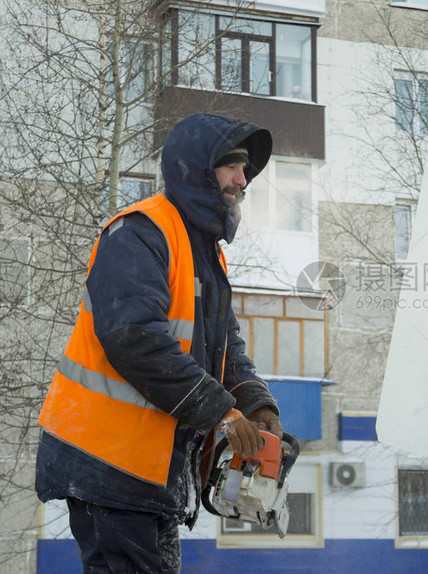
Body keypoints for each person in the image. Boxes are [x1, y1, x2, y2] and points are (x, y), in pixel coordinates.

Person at [35, 113, 282, 573]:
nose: (242, 179)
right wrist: (221, 413)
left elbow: (223, 345)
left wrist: (254, 401)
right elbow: (134, 338)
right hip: (108, 463)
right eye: (231, 165)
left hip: (144, 471)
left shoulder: (202, 253)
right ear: (196, 169)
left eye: (245, 169)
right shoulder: (139, 232)